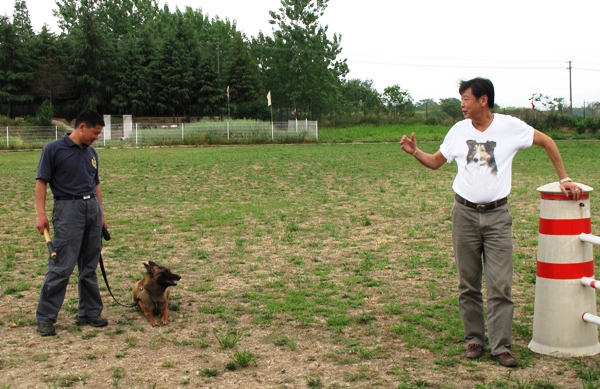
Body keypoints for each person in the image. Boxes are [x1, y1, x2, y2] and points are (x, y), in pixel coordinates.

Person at [400, 77, 582, 367]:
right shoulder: (458, 131)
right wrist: (415, 153)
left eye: (466, 98)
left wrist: (564, 177)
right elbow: (436, 161)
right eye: (461, 98)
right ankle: (474, 340)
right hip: (464, 215)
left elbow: (547, 141)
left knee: (501, 285)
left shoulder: (511, 127)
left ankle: (501, 347)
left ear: (483, 100)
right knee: (468, 284)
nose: (462, 104)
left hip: (498, 217)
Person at [35, 109, 109, 336]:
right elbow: (41, 182)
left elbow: (96, 184)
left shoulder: (92, 152)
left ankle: (90, 311)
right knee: (62, 266)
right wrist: (40, 214)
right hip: (68, 209)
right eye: (95, 133)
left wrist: (102, 215)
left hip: (91, 209)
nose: (97, 137)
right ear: (82, 127)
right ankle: (46, 318)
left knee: (89, 265)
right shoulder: (53, 150)